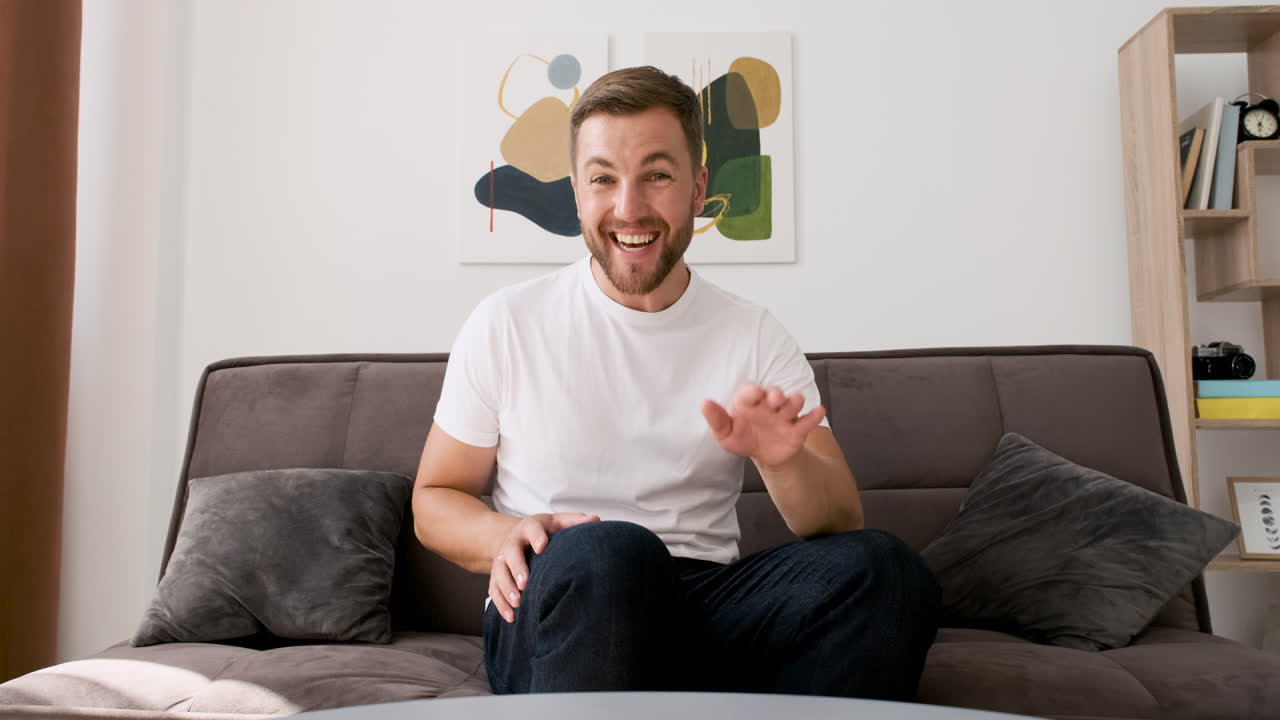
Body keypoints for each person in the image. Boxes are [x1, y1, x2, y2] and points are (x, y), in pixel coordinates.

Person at [412, 66, 939, 699]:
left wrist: (785, 458)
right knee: (610, 554)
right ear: (576, 193)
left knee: (885, 569)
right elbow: (434, 498)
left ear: (697, 189)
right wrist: (503, 535)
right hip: (562, 596)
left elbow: (838, 519)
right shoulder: (506, 322)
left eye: (657, 176)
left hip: (703, 602)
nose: (629, 207)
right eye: (604, 179)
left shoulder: (752, 332)